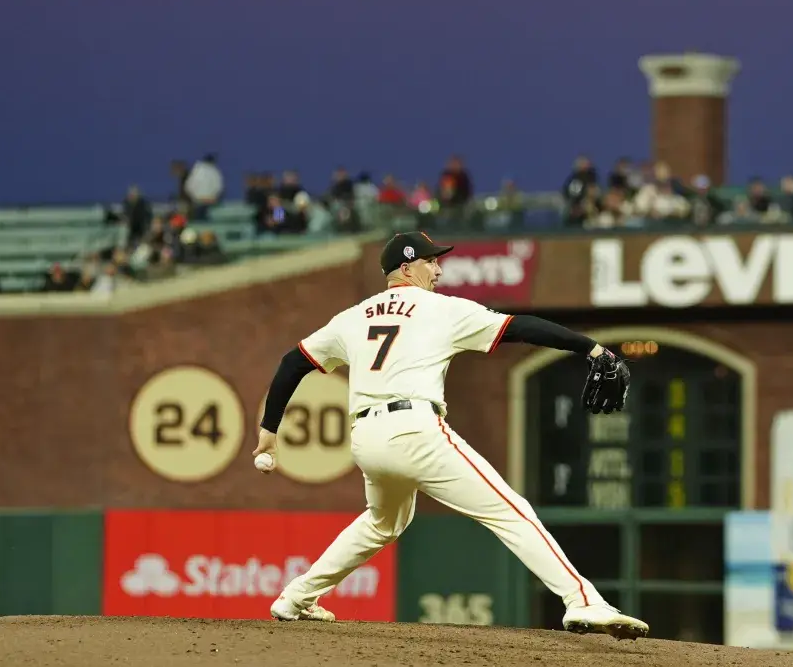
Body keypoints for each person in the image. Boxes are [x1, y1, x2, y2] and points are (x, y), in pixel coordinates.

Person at [253, 230, 648, 639]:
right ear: (406, 268)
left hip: (367, 437)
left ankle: (296, 597)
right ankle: (583, 600)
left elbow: (292, 362)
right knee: (510, 511)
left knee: (382, 522)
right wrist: (591, 349)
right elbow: (521, 328)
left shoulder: (353, 317)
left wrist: (269, 430)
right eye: (431, 261)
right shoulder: (439, 309)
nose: (439, 269)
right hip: (414, 429)